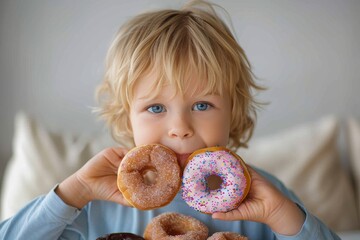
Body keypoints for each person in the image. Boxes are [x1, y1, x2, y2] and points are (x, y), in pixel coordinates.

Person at [0, 1, 340, 239]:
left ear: (233, 112)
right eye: (156, 108)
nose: (180, 127)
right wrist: (72, 194)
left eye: (203, 105)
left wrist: (284, 217)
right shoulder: (95, 204)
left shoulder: (263, 199)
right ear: (127, 116)